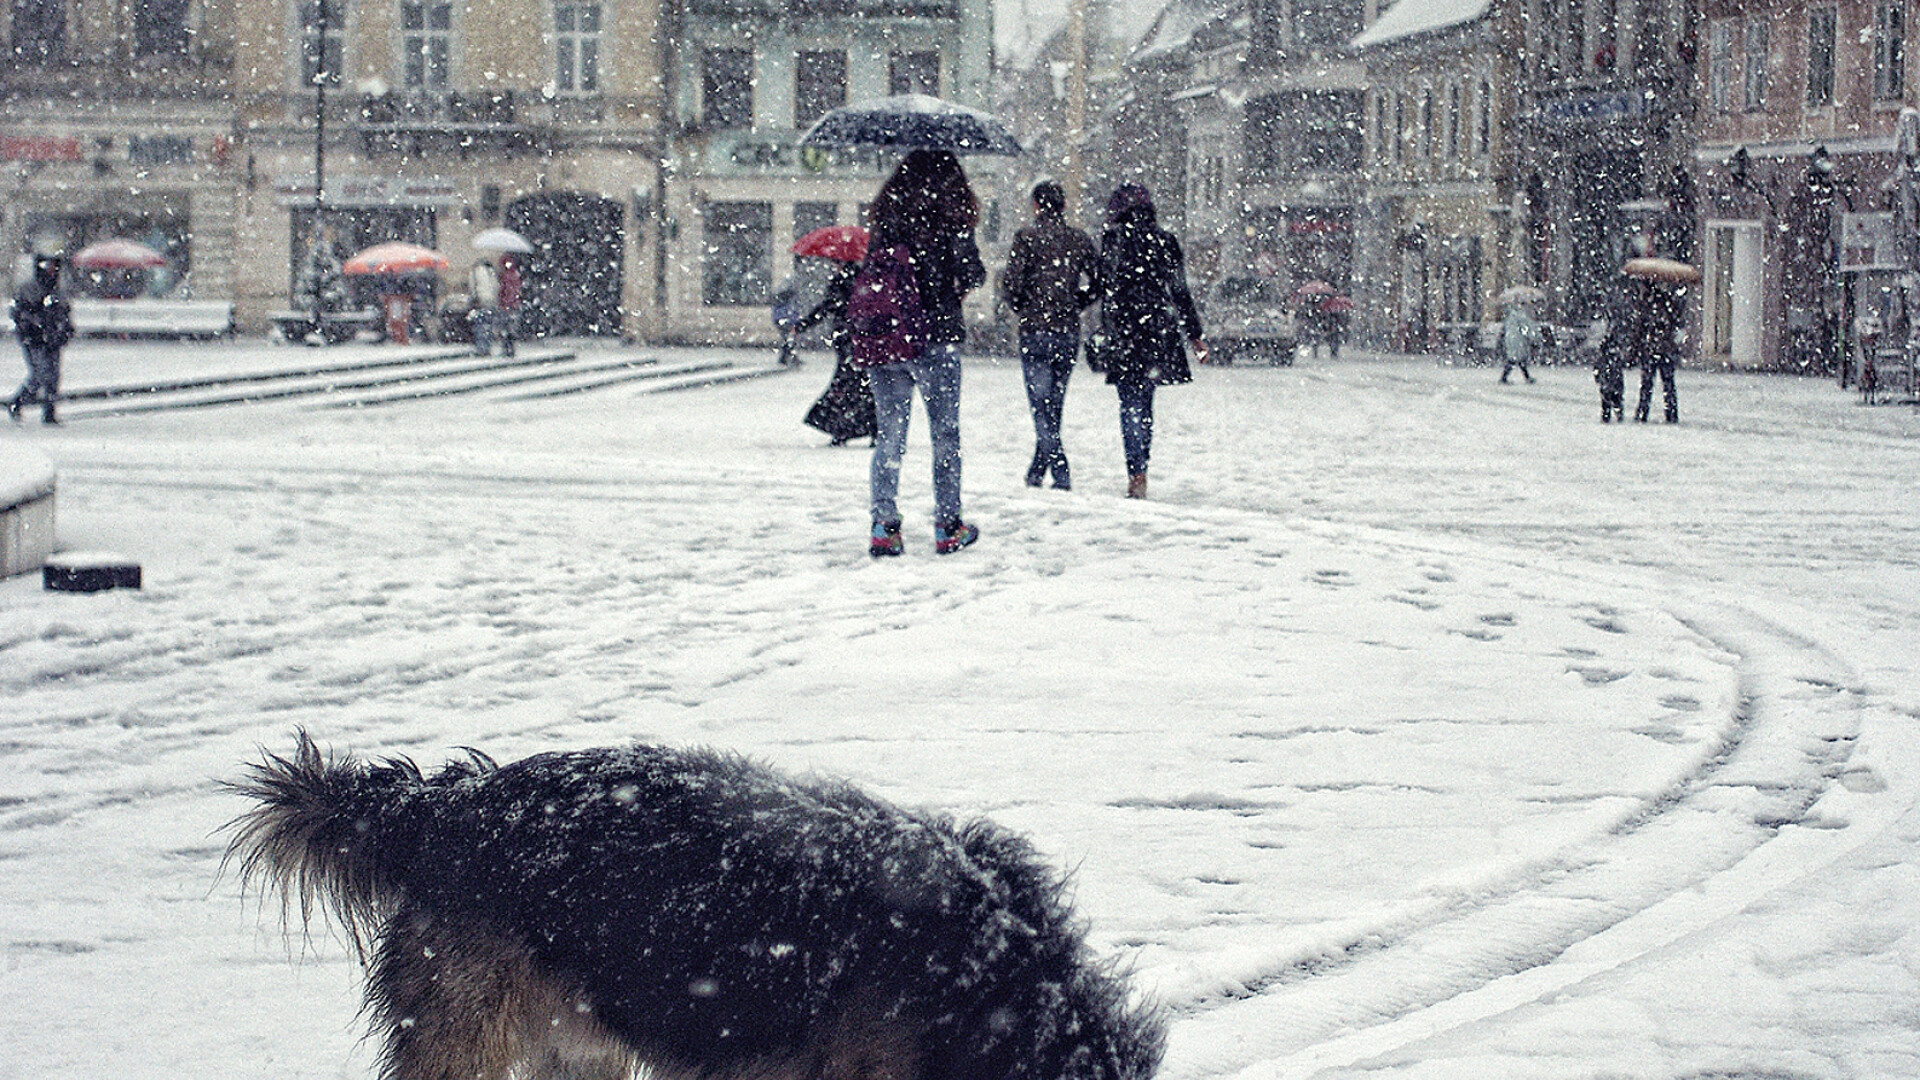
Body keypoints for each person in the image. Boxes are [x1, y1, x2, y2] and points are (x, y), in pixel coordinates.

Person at [858, 149, 987, 557]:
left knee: (890, 435)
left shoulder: (887, 216)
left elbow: (872, 270)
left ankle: (884, 525)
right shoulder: (951, 218)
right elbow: (971, 272)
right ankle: (948, 525)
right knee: (944, 434)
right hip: (936, 335)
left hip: (888, 336)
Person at [1091, 184, 1205, 499]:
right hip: (1157, 329)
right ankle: (1141, 468)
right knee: (1146, 402)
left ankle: (1135, 469)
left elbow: (1101, 286)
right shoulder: (1165, 241)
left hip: (1124, 330)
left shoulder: (1113, 241)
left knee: (1129, 403)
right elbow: (1180, 291)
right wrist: (1195, 336)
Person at [1001, 179, 1099, 490]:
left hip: (1035, 329)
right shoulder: (1077, 239)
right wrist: (1077, 301)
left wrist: (1024, 306)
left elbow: (1011, 285)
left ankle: (1059, 470)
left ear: (1036, 206)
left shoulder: (1026, 238)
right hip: (1066, 328)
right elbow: (1100, 279)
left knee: (1040, 405)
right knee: (1053, 404)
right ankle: (1038, 469)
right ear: (1063, 206)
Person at [798, 260, 877, 445]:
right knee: (864, 385)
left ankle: (841, 429)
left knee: (844, 385)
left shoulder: (841, 282)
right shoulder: (865, 280)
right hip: (864, 340)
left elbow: (827, 307)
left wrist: (803, 325)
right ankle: (873, 429)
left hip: (847, 340)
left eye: (835, 263)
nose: (834, 266)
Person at [8, 255, 73, 426]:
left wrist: (64, 330)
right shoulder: (30, 289)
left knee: (52, 376)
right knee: (40, 374)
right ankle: (18, 402)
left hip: (52, 339)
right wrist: (32, 326)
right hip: (35, 339)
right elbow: (19, 312)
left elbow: (64, 313)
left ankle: (48, 412)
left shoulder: (57, 291)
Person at [1500, 300, 1538, 384]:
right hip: (1518, 340)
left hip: (1511, 339)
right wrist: (1532, 338)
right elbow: (1526, 328)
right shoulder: (1521, 316)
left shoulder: (1511, 316)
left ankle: (1526, 377)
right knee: (1516, 359)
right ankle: (1504, 378)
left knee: (1517, 358)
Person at [468, 258, 500, 356]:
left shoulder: (474, 272)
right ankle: (487, 347)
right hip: (491, 302)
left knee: (479, 327)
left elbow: (472, 286)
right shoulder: (491, 272)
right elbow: (496, 287)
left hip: (480, 302)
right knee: (488, 327)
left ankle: (481, 348)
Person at [497, 254, 523, 356]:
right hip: (515, 305)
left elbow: (502, 291)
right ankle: (511, 349)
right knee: (511, 329)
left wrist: (502, 301)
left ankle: (506, 349)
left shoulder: (505, 276)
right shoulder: (516, 275)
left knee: (505, 329)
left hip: (506, 306)